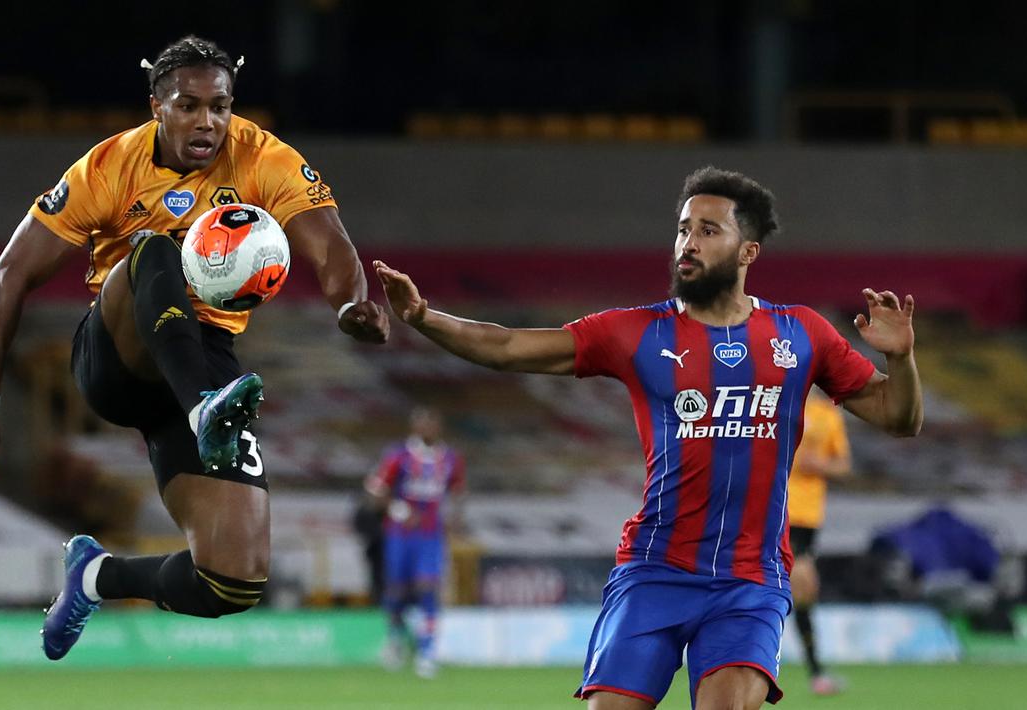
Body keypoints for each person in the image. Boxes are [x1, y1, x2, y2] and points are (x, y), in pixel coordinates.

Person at [374, 166, 922, 710]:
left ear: (748, 252)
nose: (688, 242)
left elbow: (900, 418)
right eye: (684, 228)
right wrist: (424, 317)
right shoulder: (636, 331)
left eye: (709, 231)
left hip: (751, 579)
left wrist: (900, 360)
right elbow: (509, 346)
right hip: (655, 569)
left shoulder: (801, 332)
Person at [0, 36, 389, 660]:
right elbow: (8, 275)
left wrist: (350, 305)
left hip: (202, 356)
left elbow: (330, 245)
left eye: (220, 106)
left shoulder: (265, 157)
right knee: (155, 248)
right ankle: (205, 407)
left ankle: (95, 578)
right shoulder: (108, 167)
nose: (207, 121)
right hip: (118, 353)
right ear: (156, 105)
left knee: (235, 578)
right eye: (188, 105)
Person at [364, 406, 466, 678]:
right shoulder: (399, 456)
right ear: (414, 427)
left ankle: (427, 651)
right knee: (397, 590)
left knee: (427, 587)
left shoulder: (451, 459)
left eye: (432, 423)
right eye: (423, 424)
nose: (428, 428)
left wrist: (456, 518)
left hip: (431, 534)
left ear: (439, 427)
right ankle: (396, 640)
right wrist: (399, 511)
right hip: (400, 534)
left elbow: (457, 490)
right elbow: (374, 490)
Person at [784, 388, 852, 695]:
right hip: (779, 509)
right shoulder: (779, 403)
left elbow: (843, 465)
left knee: (803, 590)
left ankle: (815, 673)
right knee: (801, 581)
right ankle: (816, 673)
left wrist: (818, 465)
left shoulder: (828, 415)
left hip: (810, 517)